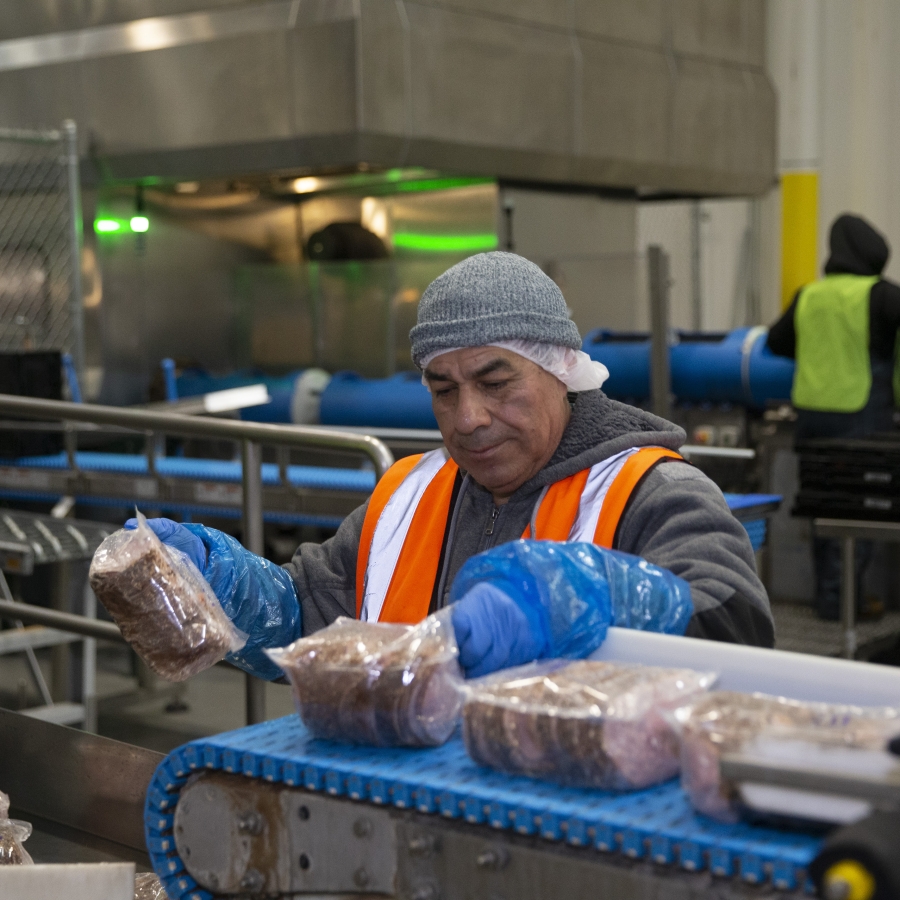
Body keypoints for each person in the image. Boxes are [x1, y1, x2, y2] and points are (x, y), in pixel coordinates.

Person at [134, 252, 773, 680]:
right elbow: (311, 615)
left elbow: (737, 636)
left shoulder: (654, 494)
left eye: (496, 383)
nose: (467, 418)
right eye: (444, 390)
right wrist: (217, 583)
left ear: (562, 373)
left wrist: (605, 604)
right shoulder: (408, 495)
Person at [767, 213, 900, 619]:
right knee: (862, 510)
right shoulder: (882, 295)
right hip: (862, 416)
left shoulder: (809, 294)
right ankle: (849, 600)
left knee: (821, 505)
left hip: (811, 416)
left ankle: (829, 598)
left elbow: (776, 341)